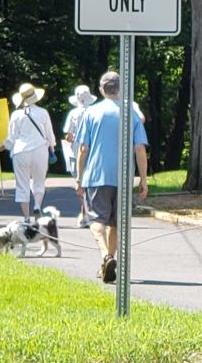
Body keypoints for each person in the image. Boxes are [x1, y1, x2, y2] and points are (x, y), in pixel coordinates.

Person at [75, 71, 148, 283]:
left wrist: (79, 178)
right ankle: (108, 261)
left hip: (97, 175)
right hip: (123, 177)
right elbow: (140, 148)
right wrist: (143, 179)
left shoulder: (91, 112)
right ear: (121, 89)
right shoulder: (131, 113)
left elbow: (83, 148)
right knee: (117, 223)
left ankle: (105, 255)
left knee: (97, 219)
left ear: (101, 90)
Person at [0, 82, 56, 221]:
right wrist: (52, 147)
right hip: (40, 150)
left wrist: (2, 146)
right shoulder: (43, 113)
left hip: (21, 151)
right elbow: (50, 135)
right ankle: (37, 207)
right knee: (39, 182)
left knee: (22, 184)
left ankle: (27, 218)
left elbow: (11, 138)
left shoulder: (16, 115)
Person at [62, 85, 97, 227]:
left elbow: (69, 136)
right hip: (92, 148)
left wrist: (69, 139)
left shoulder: (73, 114)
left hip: (77, 150)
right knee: (91, 181)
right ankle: (90, 211)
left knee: (79, 181)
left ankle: (83, 212)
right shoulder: (94, 112)